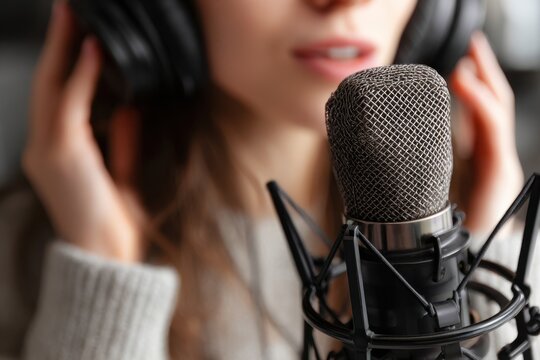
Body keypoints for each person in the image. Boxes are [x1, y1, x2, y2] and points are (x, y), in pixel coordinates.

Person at [0, 0, 532, 359]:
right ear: (155, 13)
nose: (346, 2)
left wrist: (489, 274)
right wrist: (104, 280)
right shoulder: (21, 260)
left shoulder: (499, 226)